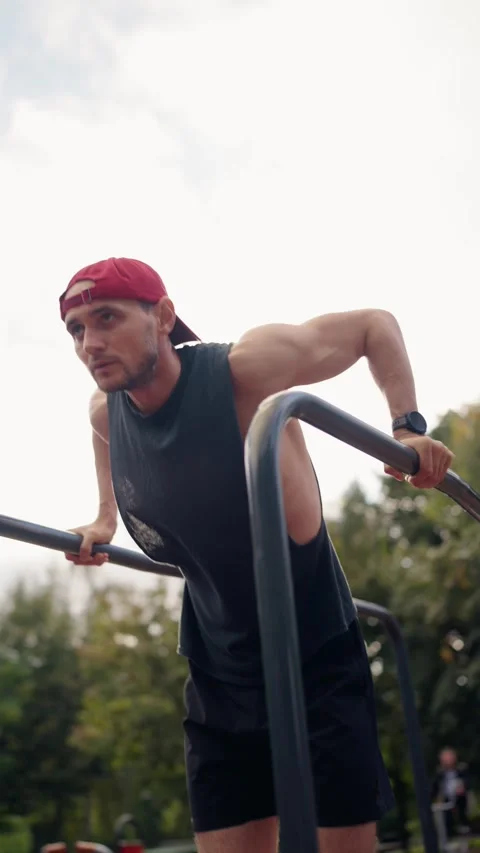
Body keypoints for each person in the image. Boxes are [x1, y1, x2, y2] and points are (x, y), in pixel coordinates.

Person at [60, 257, 454, 853]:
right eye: (77, 329)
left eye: (107, 317)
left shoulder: (244, 368)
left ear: (164, 316)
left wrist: (405, 431)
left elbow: (374, 324)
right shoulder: (105, 411)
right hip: (217, 670)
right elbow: (104, 437)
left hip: (314, 651)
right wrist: (104, 518)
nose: (91, 342)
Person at [432, 747, 471, 838]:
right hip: (445, 798)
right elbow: (435, 788)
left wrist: (462, 786)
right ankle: (449, 833)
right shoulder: (439, 773)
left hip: (460, 797)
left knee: (462, 804)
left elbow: (468, 782)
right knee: (444, 812)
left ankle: (464, 826)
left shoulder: (461, 769)